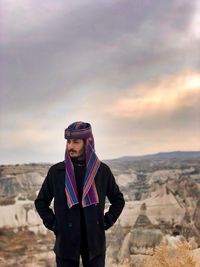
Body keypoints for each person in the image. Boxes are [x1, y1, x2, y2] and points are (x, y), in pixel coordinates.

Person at [34, 121, 125, 267]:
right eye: (69, 142)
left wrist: (105, 222)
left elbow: (118, 200)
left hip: (94, 243)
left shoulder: (101, 171)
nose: (70, 146)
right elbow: (41, 202)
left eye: (76, 142)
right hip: (66, 243)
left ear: (88, 142)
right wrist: (55, 225)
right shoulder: (57, 172)